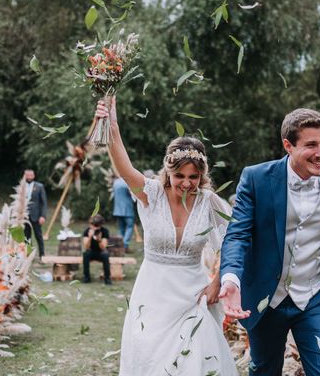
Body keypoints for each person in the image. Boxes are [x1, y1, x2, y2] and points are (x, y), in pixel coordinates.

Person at [94, 97, 238, 376]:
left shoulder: (210, 202)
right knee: (151, 362)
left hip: (194, 295)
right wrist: (111, 121)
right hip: (153, 295)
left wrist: (216, 283)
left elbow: (232, 244)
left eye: (193, 176)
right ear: (168, 171)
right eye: (179, 175)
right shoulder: (152, 194)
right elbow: (124, 167)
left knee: (194, 364)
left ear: (202, 175)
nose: (186, 183)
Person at [219, 107, 320, 376]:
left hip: (315, 297)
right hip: (267, 299)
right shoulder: (256, 178)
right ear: (288, 145)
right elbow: (238, 234)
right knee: (264, 371)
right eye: (311, 144)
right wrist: (231, 278)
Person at [23, 169, 47, 260]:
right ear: (24, 176)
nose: (29, 177)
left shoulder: (40, 186)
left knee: (38, 235)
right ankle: (29, 255)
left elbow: (44, 203)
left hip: (36, 216)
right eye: (27, 175)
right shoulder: (21, 186)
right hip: (25, 215)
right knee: (26, 236)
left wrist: (43, 216)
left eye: (30, 175)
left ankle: (42, 254)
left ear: (33, 176)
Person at [82, 214, 111, 284]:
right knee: (85, 254)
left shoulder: (104, 231)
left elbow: (103, 247)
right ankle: (86, 277)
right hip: (91, 251)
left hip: (101, 252)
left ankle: (107, 278)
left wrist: (99, 240)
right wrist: (89, 237)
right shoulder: (87, 231)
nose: (95, 228)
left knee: (106, 255)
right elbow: (86, 247)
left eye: (96, 226)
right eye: (93, 225)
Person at [112, 174, 136, 252]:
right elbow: (133, 192)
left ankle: (119, 246)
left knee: (121, 229)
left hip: (118, 209)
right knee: (129, 227)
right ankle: (125, 246)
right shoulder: (127, 182)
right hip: (127, 209)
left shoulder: (115, 182)